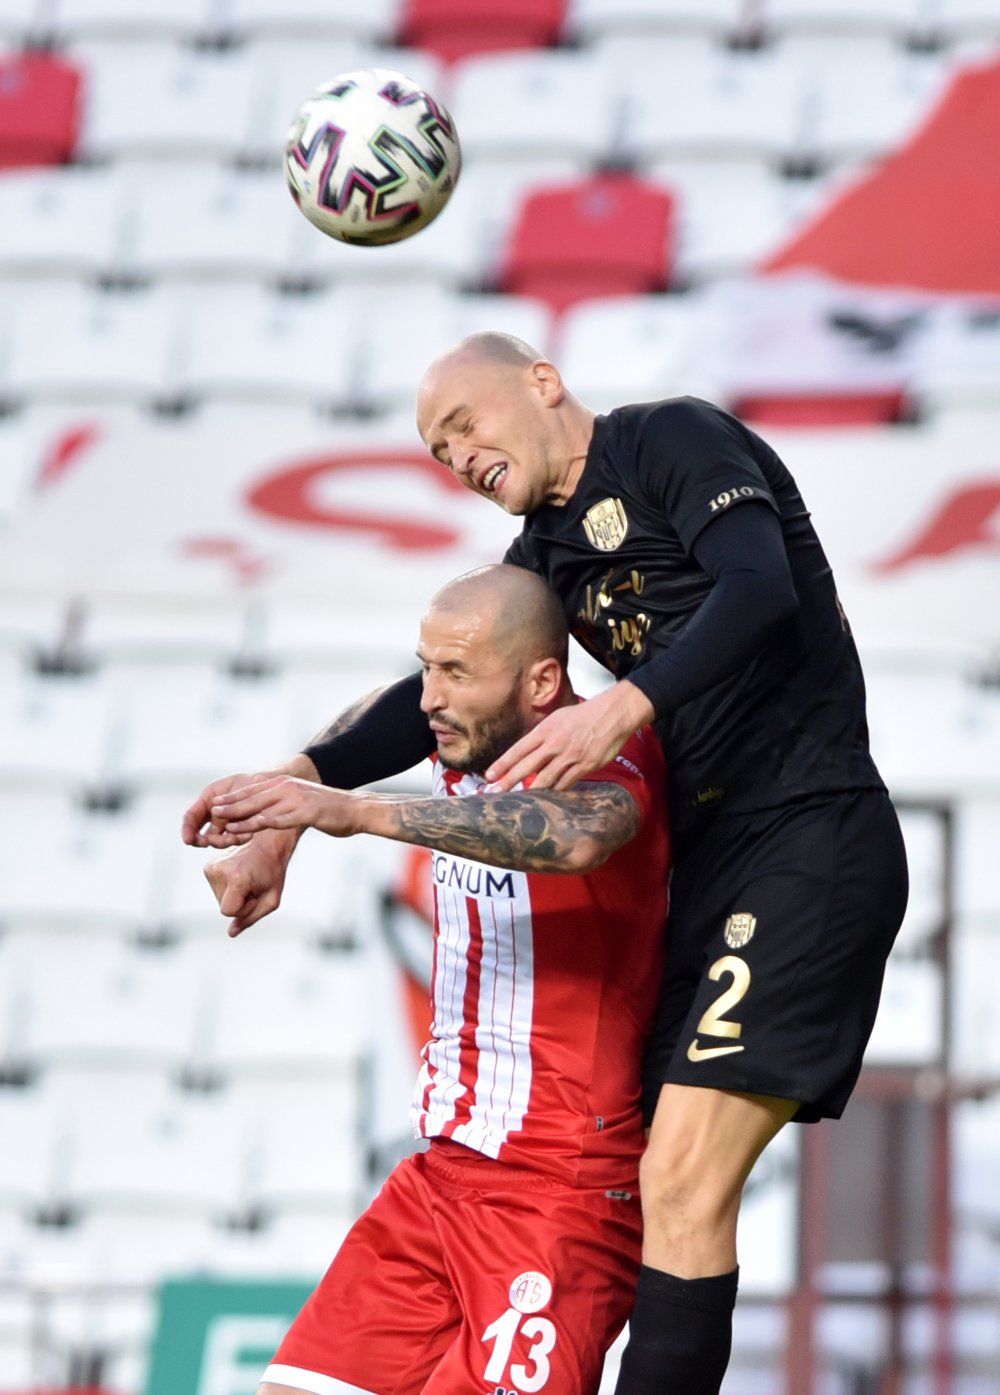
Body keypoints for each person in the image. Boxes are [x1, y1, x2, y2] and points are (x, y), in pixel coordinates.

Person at [186, 334, 909, 1395]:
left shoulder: (671, 438)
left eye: (463, 426)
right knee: (666, 1187)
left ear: (541, 380)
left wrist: (628, 697)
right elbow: (429, 698)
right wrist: (291, 796)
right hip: (714, 867)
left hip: (808, 831)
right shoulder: (546, 556)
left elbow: (759, 589)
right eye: (438, 453)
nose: (457, 458)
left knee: (679, 1177)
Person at [206, 563, 671, 1395]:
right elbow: (374, 720)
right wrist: (288, 808)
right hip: (439, 1176)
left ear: (541, 681)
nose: (431, 696)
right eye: (428, 666)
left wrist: (353, 814)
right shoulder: (463, 727)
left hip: (557, 1193)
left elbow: (578, 837)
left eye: (456, 672)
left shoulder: (604, 754)